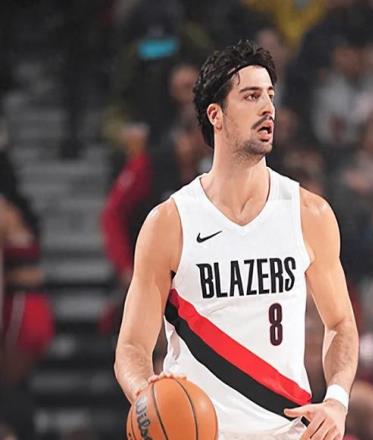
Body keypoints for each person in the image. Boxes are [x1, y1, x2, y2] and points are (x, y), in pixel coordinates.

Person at [114, 40, 359, 439]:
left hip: (286, 431)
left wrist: (337, 400)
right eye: (251, 96)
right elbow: (132, 348)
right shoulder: (170, 223)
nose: (268, 108)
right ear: (216, 114)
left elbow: (341, 323)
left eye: (270, 96)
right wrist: (147, 396)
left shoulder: (308, 213)